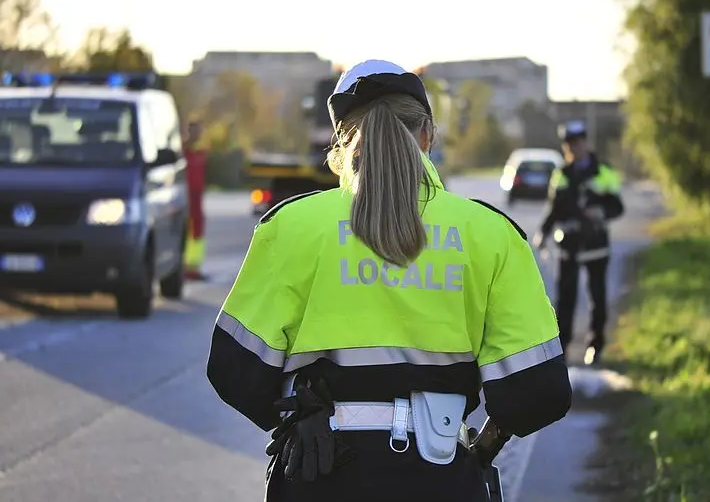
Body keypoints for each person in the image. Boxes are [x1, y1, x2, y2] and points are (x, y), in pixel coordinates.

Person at [206, 59, 572, 502]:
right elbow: (538, 391)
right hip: (440, 479)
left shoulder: (292, 226)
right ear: (427, 136)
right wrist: (483, 447)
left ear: (340, 144)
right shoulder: (491, 233)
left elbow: (233, 369)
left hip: (320, 478)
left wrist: (293, 413)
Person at [534, 120, 625, 366]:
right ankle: (562, 349)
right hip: (569, 246)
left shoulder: (603, 171)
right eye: (569, 144)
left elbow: (617, 206)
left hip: (596, 244)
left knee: (597, 298)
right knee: (565, 300)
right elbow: (553, 209)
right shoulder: (561, 174)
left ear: (585, 142)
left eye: (577, 142)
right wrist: (543, 233)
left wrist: (601, 212)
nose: (574, 147)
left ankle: (595, 346)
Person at [183, 120, 207, 280]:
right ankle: (184, 267)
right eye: (193, 131)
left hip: (197, 199)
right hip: (184, 199)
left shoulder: (201, 153)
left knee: (197, 233)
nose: (196, 135)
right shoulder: (182, 152)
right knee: (184, 232)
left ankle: (194, 267)